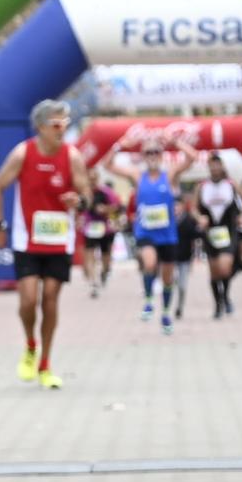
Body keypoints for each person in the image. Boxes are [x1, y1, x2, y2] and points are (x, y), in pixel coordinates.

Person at [0, 99, 90, 389]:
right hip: (26, 238)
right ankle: (31, 345)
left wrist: (78, 201)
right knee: (29, 300)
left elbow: (87, 194)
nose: (62, 130)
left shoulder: (72, 157)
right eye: (57, 124)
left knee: (51, 299)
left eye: (66, 124)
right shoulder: (23, 153)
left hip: (59, 238)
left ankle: (46, 363)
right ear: (41, 127)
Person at [110, 135, 195, 335]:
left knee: (167, 278)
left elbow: (192, 157)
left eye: (156, 151)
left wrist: (177, 143)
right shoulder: (137, 176)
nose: (152, 155)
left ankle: (165, 313)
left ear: (162, 155)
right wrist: (120, 145)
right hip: (146, 231)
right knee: (149, 263)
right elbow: (108, 165)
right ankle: (148, 299)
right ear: (143, 156)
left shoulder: (170, 174)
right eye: (148, 152)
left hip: (167, 235)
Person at [79, 179, 119, 297]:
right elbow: (79, 208)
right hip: (89, 228)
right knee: (89, 254)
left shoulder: (106, 192)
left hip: (105, 228)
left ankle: (105, 272)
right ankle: (93, 283)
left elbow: (116, 206)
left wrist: (105, 209)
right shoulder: (83, 191)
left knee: (105, 255)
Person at [173, 184, 199, 321]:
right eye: (173, 205)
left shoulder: (189, 221)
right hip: (170, 258)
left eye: (178, 205)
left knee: (182, 285)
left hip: (184, 259)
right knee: (170, 282)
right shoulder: (167, 221)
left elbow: (195, 239)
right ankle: (168, 305)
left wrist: (193, 260)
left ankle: (180, 306)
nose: (175, 208)